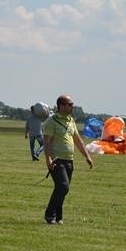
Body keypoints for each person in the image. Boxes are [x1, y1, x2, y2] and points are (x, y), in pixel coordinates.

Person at [43, 95, 93, 225]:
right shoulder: (51, 121)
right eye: (70, 104)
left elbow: (78, 140)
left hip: (69, 161)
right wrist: (48, 159)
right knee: (63, 187)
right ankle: (49, 215)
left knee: (62, 189)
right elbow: (47, 142)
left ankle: (58, 217)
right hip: (56, 160)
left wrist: (87, 156)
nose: (72, 106)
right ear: (61, 106)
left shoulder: (71, 120)